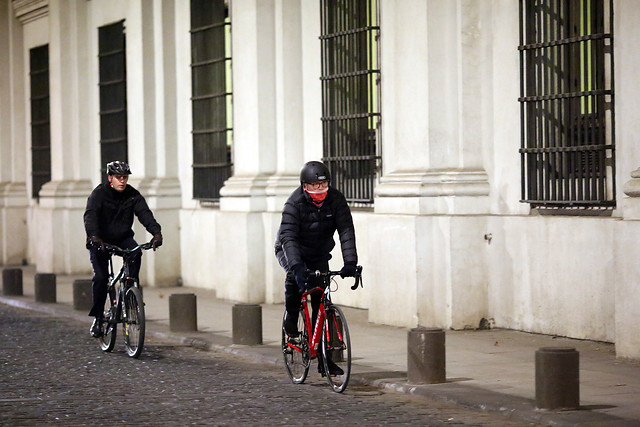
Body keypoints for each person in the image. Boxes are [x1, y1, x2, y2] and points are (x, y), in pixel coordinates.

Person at [275, 160, 358, 376]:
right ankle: (291, 321)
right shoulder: (294, 204)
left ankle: (324, 359)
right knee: (296, 280)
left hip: (319, 253)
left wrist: (350, 262)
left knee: (321, 301)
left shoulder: (336, 200)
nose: (320, 190)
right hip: (291, 249)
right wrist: (296, 266)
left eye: (323, 185)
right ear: (305, 186)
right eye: (315, 186)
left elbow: (346, 230)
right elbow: (289, 237)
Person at [83, 161, 163, 337]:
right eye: (118, 177)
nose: (122, 181)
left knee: (136, 252)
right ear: (110, 177)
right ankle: (97, 317)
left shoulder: (132, 195)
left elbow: (144, 214)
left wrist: (156, 233)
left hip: (122, 238)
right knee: (102, 277)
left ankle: (130, 292)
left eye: (125, 178)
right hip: (100, 240)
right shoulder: (99, 194)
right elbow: (90, 216)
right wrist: (94, 237)